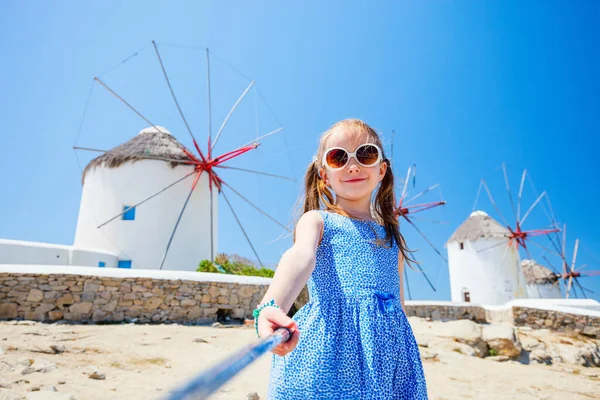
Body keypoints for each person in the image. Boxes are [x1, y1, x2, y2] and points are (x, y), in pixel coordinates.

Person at [254, 118, 428, 399]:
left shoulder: (392, 239)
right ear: (324, 175)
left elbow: (399, 306)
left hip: (388, 361)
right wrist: (271, 306)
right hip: (329, 351)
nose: (353, 165)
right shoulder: (317, 221)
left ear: (381, 169)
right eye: (338, 158)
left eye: (366, 154)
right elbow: (300, 256)